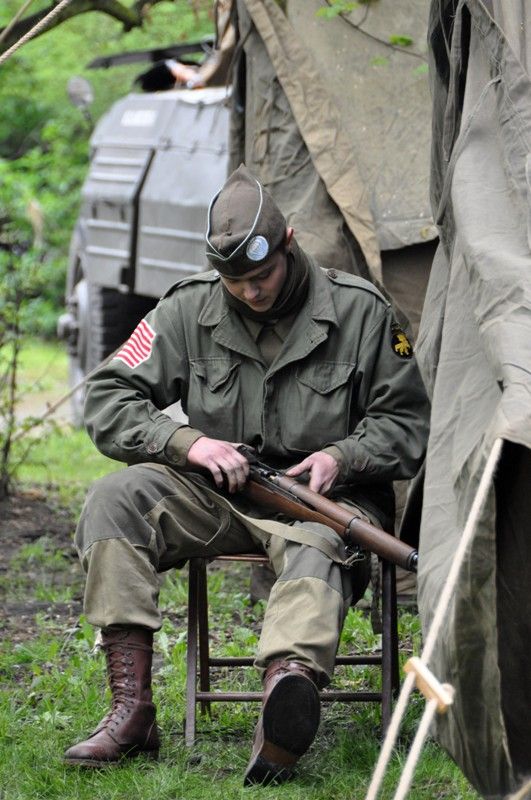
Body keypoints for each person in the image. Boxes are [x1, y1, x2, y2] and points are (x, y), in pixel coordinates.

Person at [63, 165, 429, 784]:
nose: (250, 293)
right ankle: (131, 711)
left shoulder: (361, 312)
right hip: (221, 492)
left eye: (260, 277)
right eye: (234, 282)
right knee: (114, 499)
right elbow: (106, 395)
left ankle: (284, 701)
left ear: (289, 245)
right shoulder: (186, 309)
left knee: (321, 550)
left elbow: (408, 422)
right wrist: (187, 441)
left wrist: (344, 456)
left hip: (324, 501)